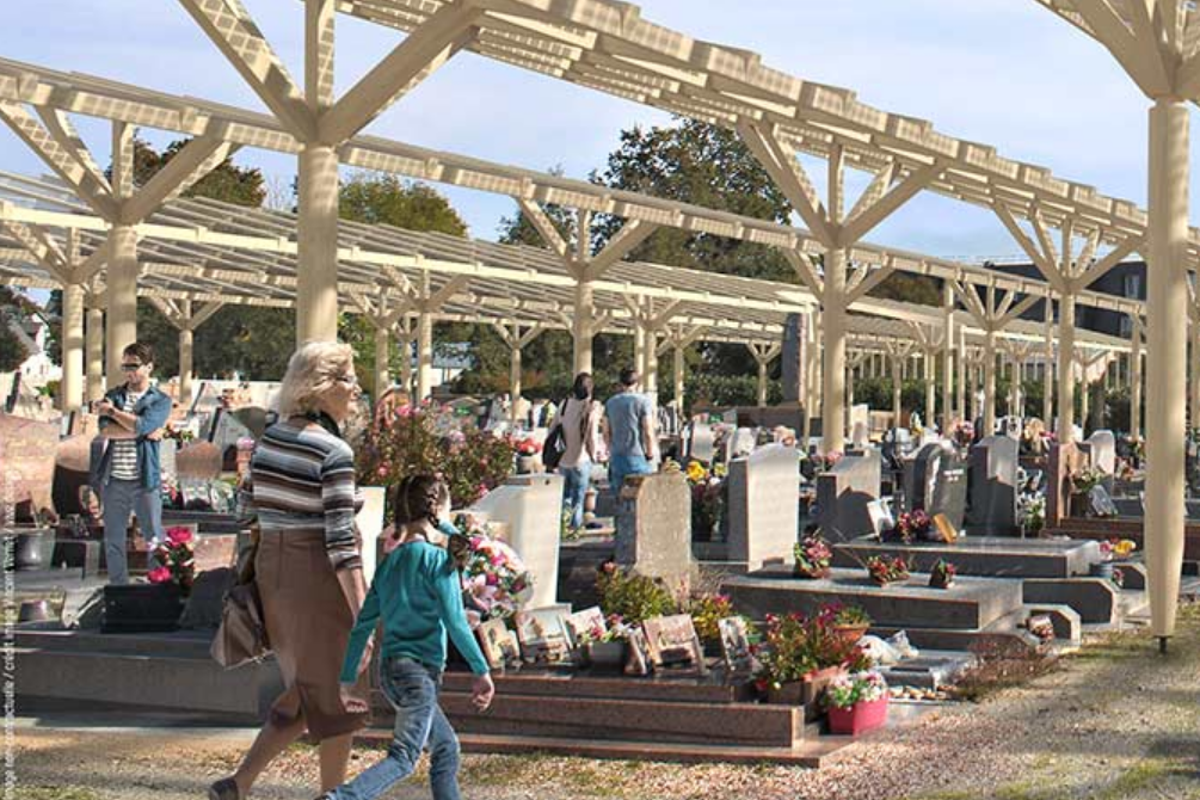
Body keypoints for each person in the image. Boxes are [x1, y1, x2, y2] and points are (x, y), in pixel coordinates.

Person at [210, 342, 370, 800]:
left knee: (303, 689)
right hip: (319, 579)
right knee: (341, 696)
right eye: (347, 378)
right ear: (319, 387)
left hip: (274, 576)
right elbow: (340, 542)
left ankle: (237, 784)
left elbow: (246, 510)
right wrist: (364, 614)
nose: (356, 389)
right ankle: (332, 794)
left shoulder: (269, 441)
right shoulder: (333, 451)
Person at [319, 474, 495, 800]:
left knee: (446, 747)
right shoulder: (438, 561)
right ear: (439, 510)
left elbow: (363, 626)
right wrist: (482, 671)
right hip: (419, 674)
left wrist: (346, 680)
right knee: (404, 757)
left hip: (390, 672)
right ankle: (340, 798)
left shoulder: (390, 563)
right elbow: (456, 622)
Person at [94, 341, 172, 585]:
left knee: (153, 537)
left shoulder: (159, 400)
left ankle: (156, 587)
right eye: (125, 366)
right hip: (114, 478)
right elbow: (106, 431)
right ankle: (119, 589)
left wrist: (115, 414)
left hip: (145, 479)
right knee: (113, 539)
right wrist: (141, 429)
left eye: (134, 366)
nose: (129, 371)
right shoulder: (114, 395)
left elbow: (143, 425)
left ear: (149, 367)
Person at [554, 373, 602, 531]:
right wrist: (595, 454)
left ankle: (562, 526)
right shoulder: (591, 407)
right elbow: (592, 436)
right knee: (579, 498)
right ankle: (575, 527)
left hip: (563, 458)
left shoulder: (564, 404)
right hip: (582, 458)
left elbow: (552, 428)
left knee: (564, 496)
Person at [603, 367, 658, 492]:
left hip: (617, 455)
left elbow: (606, 432)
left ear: (620, 382)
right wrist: (650, 454)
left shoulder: (610, 403)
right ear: (637, 383)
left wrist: (609, 448)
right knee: (642, 496)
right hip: (638, 455)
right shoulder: (643, 402)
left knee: (618, 496)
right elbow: (648, 431)